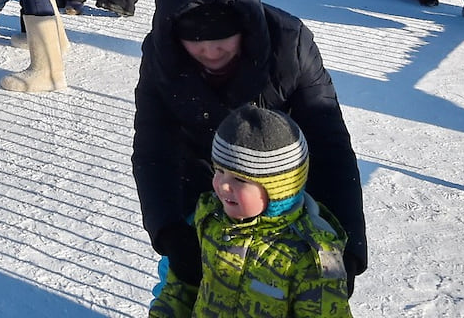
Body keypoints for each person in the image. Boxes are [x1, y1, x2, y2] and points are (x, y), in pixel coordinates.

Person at [135, 0, 367, 302]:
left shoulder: (289, 44)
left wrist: (349, 245)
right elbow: (153, 146)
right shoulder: (162, 57)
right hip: (201, 196)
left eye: (223, 37)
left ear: (245, 24)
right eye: (195, 39)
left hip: (278, 204)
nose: (210, 51)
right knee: (183, 293)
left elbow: (330, 143)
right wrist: (170, 232)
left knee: (272, 296)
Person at [148, 105, 353, 317]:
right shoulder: (209, 218)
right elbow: (181, 287)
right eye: (219, 170)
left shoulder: (312, 254)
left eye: (239, 179)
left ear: (278, 189)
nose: (223, 185)